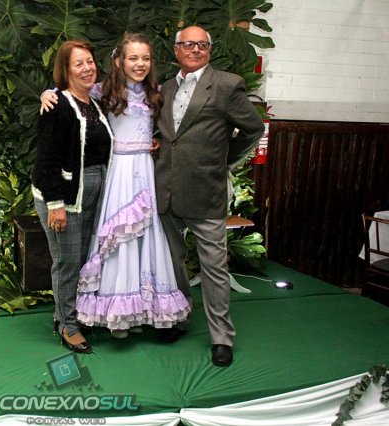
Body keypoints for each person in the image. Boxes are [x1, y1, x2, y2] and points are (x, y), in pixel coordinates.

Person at [41, 33, 191, 340]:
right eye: (132, 58)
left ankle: (145, 311)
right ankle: (117, 315)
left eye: (145, 58)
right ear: (119, 61)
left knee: (146, 239)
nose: (140, 64)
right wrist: (47, 93)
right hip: (117, 174)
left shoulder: (156, 93)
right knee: (116, 240)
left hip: (144, 172)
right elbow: (69, 92)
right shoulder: (103, 91)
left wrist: (154, 143)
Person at [155, 25, 265, 366]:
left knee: (214, 268)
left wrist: (224, 160)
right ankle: (179, 317)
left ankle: (221, 337)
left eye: (202, 45)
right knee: (171, 262)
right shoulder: (165, 88)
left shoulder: (227, 85)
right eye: (188, 44)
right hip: (165, 190)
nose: (195, 50)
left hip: (205, 192)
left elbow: (254, 128)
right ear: (176, 50)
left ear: (209, 50)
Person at [33, 40, 114, 354]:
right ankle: (68, 325)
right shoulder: (56, 105)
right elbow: (46, 160)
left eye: (90, 61)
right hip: (63, 196)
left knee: (81, 259)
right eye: (78, 64)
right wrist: (56, 205)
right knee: (67, 261)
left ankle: (64, 314)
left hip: (92, 191)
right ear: (65, 70)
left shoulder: (95, 103)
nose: (87, 68)